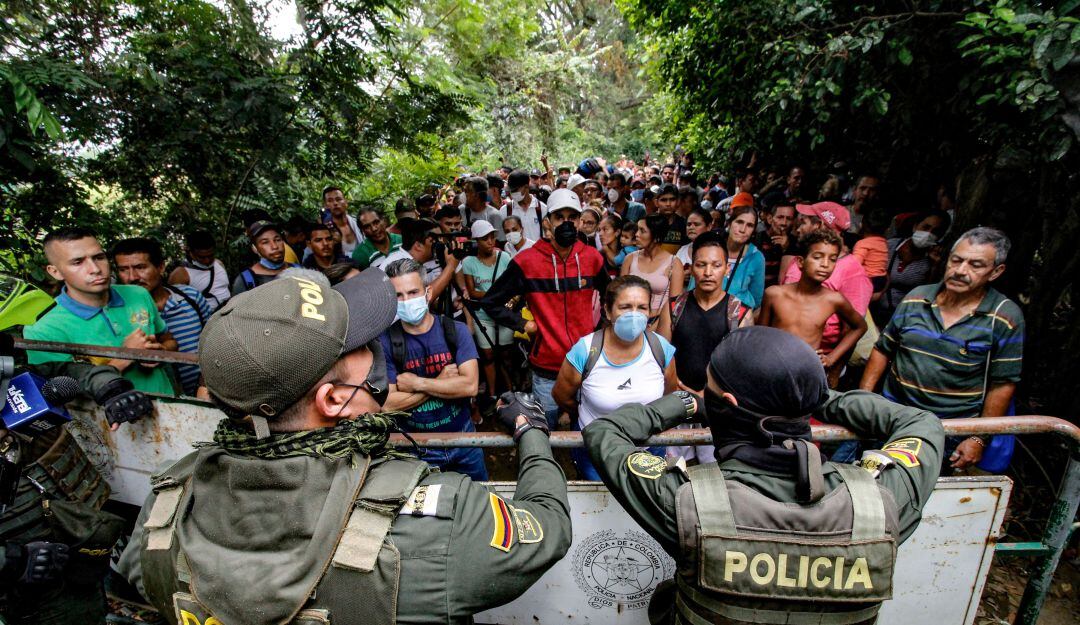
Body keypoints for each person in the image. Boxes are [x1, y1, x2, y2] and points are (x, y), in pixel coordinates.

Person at [116, 268, 572, 624]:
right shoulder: (435, 520)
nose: (377, 354)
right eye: (361, 346)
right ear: (332, 400)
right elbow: (546, 530)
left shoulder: (168, 503)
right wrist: (532, 433)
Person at [583, 326, 944, 624]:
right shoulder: (879, 505)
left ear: (727, 402)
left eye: (708, 386)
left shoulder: (689, 505)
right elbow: (920, 422)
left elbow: (604, 433)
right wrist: (810, 398)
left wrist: (686, 402)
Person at [861, 227, 1024, 473]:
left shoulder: (1004, 317)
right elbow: (883, 349)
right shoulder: (917, 298)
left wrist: (979, 438)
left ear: (996, 272)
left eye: (976, 265)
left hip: (949, 433)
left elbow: (1002, 384)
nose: (960, 270)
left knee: (930, 503)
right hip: (893, 420)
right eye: (956, 260)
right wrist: (865, 401)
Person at [481, 188, 610, 428]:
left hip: (586, 362)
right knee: (545, 425)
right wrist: (523, 324)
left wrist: (601, 329)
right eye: (559, 217)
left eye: (572, 217)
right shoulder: (527, 261)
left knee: (588, 426)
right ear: (548, 221)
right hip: (546, 366)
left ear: (580, 221)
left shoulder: (592, 257)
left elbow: (610, 296)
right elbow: (491, 302)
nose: (566, 223)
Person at [26, 228, 179, 398]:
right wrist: (125, 356)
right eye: (78, 262)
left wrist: (159, 350)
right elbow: (58, 395)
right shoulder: (42, 328)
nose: (95, 269)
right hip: (108, 420)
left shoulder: (138, 294)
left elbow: (168, 340)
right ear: (56, 272)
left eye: (99, 257)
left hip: (169, 410)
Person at [553, 276, 677, 480]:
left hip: (649, 451)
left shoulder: (660, 349)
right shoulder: (586, 350)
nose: (634, 315)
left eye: (642, 307)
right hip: (597, 453)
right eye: (625, 307)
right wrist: (590, 414)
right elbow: (561, 395)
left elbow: (669, 395)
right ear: (608, 311)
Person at [378, 259, 485, 480]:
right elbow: (388, 405)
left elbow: (470, 386)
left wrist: (417, 383)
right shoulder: (385, 342)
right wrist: (442, 380)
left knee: (480, 499)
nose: (406, 301)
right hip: (415, 448)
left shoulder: (456, 331)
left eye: (413, 292)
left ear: (427, 293)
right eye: (399, 295)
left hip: (463, 440)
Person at [667, 232, 753, 463]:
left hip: (718, 406)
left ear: (726, 269)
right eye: (701, 265)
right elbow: (661, 355)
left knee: (714, 470)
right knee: (674, 469)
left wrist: (709, 395)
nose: (707, 272)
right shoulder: (675, 307)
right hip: (677, 403)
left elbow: (742, 366)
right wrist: (674, 387)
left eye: (716, 265)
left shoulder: (739, 312)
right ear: (691, 268)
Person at [760, 229, 868, 387]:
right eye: (818, 257)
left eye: (832, 259)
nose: (825, 264)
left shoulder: (833, 299)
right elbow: (761, 335)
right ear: (800, 262)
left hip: (805, 372)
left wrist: (831, 358)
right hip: (772, 368)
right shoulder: (774, 294)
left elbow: (860, 327)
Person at [113, 237, 211, 396]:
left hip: (209, 390)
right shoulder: (118, 313)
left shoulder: (190, 297)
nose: (132, 277)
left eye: (140, 267)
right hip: (165, 399)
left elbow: (217, 338)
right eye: (123, 269)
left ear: (160, 267)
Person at [782, 202, 873, 358]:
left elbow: (851, 329)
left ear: (820, 226)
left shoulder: (852, 271)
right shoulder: (802, 258)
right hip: (784, 350)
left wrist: (833, 367)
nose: (798, 228)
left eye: (804, 222)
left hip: (815, 360)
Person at [461, 221, 514, 403]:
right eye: (485, 238)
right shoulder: (469, 262)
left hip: (504, 314)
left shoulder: (504, 257)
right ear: (477, 240)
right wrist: (498, 294)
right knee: (488, 355)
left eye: (492, 237)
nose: (490, 241)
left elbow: (513, 284)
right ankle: (492, 394)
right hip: (483, 315)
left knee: (507, 354)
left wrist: (502, 297)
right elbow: (472, 291)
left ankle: (510, 392)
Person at [873, 209, 952, 324]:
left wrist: (935, 266)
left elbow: (928, 297)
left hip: (903, 318)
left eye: (935, 232)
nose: (928, 234)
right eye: (925, 227)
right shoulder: (890, 246)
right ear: (915, 226)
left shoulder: (933, 261)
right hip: (874, 310)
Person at [622, 214, 683, 339]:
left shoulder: (674, 263)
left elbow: (674, 304)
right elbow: (619, 294)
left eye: (642, 231)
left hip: (661, 323)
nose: (636, 234)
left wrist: (654, 326)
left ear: (656, 236)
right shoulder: (629, 259)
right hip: (629, 321)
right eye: (637, 229)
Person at [168, 229, 231, 312]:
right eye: (201, 257)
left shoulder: (219, 264)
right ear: (191, 253)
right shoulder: (181, 274)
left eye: (210, 255)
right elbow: (172, 306)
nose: (207, 261)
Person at [232, 220, 299, 294]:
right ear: (255, 248)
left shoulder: (299, 270)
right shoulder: (246, 281)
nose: (275, 246)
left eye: (277, 240)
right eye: (265, 242)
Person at [721, 205, 766, 309]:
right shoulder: (712, 249)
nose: (743, 229)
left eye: (749, 225)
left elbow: (756, 299)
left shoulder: (757, 258)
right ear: (729, 223)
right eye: (739, 222)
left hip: (738, 318)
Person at [755, 203, 795, 287]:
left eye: (789, 219)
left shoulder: (795, 243)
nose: (784, 223)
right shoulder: (756, 240)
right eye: (780, 217)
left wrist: (786, 249)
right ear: (770, 219)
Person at [853, 208, 891, 294]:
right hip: (881, 280)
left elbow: (855, 264)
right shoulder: (883, 243)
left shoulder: (863, 243)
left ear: (862, 225)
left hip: (869, 280)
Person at [504, 169, 547, 242]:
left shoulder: (542, 209)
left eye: (515, 190)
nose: (512, 193)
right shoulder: (505, 210)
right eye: (511, 190)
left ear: (526, 187)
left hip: (537, 252)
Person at [322, 185, 364, 256]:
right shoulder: (324, 230)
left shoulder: (358, 223)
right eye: (330, 200)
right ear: (325, 206)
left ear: (346, 202)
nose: (335, 203)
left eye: (338, 199)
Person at [460, 176, 505, 241]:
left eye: (466, 192)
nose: (463, 195)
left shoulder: (494, 215)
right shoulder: (461, 210)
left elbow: (501, 241)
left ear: (476, 195)